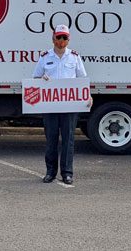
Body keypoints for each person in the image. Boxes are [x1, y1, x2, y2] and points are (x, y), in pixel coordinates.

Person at [33, 24, 92, 185]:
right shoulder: (45, 57)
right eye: (58, 37)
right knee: (51, 139)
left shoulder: (74, 57)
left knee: (68, 139)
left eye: (64, 37)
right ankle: (50, 172)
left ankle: (67, 173)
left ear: (68, 39)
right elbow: (36, 78)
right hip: (50, 105)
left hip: (70, 105)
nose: (61, 40)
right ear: (53, 38)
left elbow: (82, 79)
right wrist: (42, 80)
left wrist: (88, 95)